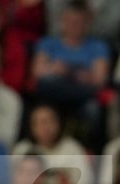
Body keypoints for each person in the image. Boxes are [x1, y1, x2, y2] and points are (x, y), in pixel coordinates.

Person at [30, 0, 111, 144]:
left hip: (83, 96)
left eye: (79, 22)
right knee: (48, 83)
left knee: (93, 109)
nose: (75, 26)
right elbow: (38, 72)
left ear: (87, 23)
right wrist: (55, 68)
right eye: (71, 21)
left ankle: (88, 147)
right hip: (54, 94)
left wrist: (86, 77)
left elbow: (100, 80)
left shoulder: (98, 46)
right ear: (63, 21)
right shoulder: (48, 43)